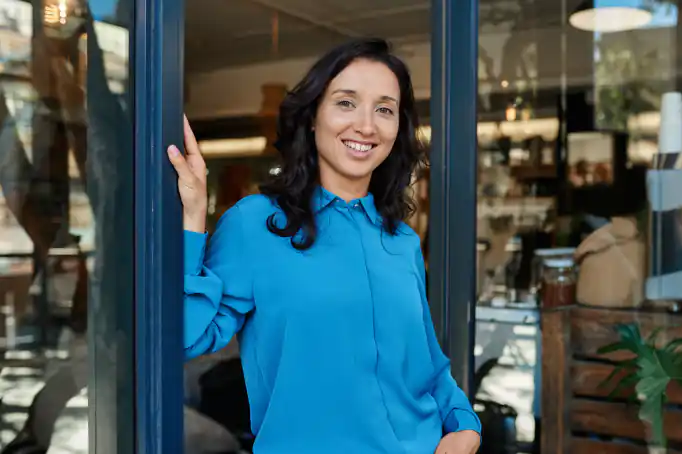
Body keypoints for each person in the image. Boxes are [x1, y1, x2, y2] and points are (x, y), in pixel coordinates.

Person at [167, 38, 482, 454]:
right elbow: (184, 339)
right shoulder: (255, 224)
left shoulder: (401, 241)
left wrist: (465, 427)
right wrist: (191, 220)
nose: (366, 125)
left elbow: (428, 367)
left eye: (384, 109)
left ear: (396, 130)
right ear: (313, 117)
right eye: (346, 103)